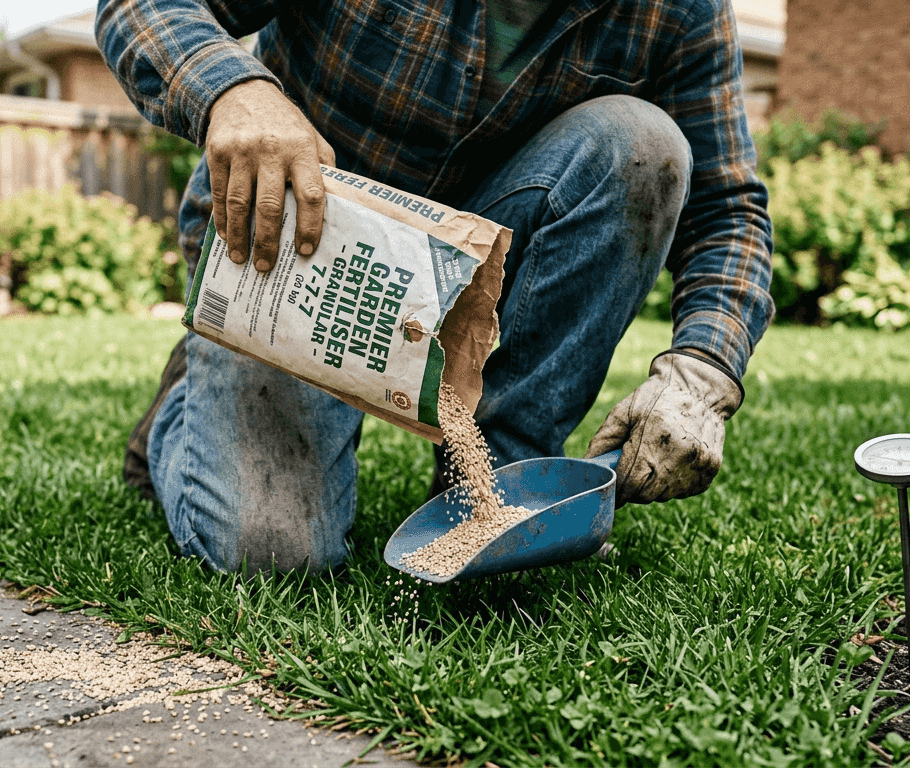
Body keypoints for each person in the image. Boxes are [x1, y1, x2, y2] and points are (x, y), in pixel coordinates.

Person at [96, 0, 774, 574]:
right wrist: (232, 90)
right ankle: (183, 410)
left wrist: (701, 373)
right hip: (307, 247)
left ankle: (493, 474)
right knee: (271, 554)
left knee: (646, 143)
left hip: (483, 261)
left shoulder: (679, 10)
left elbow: (727, 209)